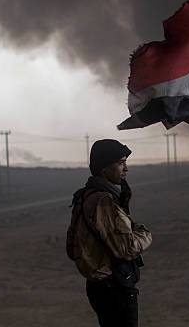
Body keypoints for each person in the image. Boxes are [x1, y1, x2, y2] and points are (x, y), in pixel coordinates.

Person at [66, 139, 152, 327]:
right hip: (114, 288)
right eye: (121, 163)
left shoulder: (87, 195)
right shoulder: (103, 201)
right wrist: (145, 235)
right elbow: (127, 248)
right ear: (104, 168)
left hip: (102, 287)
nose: (126, 169)